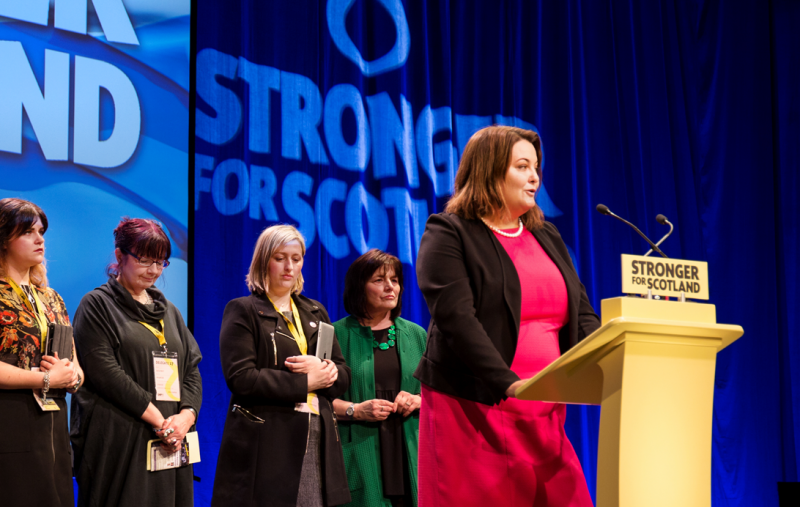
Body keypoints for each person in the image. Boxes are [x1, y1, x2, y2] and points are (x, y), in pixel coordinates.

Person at [414, 125, 600, 506]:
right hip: (474, 407)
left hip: (544, 410)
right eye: (522, 166)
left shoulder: (547, 236)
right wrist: (509, 384)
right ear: (489, 170)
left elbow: (581, 312)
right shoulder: (448, 232)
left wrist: (608, 360)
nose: (535, 177)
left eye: (536, 167)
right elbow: (457, 319)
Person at [212, 224, 352, 507]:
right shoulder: (243, 310)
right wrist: (306, 383)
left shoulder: (315, 311)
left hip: (317, 433)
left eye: (296, 259)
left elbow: (342, 373)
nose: (289, 267)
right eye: (280, 258)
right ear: (264, 261)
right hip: (269, 441)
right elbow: (241, 377)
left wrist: (326, 370)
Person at [70, 218, 202, 507]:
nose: (154, 270)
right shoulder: (97, 305)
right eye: (144, 260)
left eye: (161, 262)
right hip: (122, 439)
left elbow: (191, 368)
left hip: (172, 440)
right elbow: (105, 373)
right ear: (120, 256)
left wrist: (186, 417)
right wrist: (161, 422)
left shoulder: (169, 312)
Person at [0, 198, 83, 506]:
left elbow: (74, 363)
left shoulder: (52, 298)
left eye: (41, 232)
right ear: (3, 240)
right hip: (9, 424)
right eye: (28, 232)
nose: (40, 239)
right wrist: (46, 379)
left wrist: (72, 377)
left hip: (54, 427)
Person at [332, 249, 427, 507]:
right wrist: (356, 410)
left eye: (394, 280)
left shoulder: (417, 335)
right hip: (360, 455)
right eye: (379, 280)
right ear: (358, 287)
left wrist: (419, 400)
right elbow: (317, 401)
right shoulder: (335, 335)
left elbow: (439, 395)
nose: (390, 287)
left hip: (411, 453)